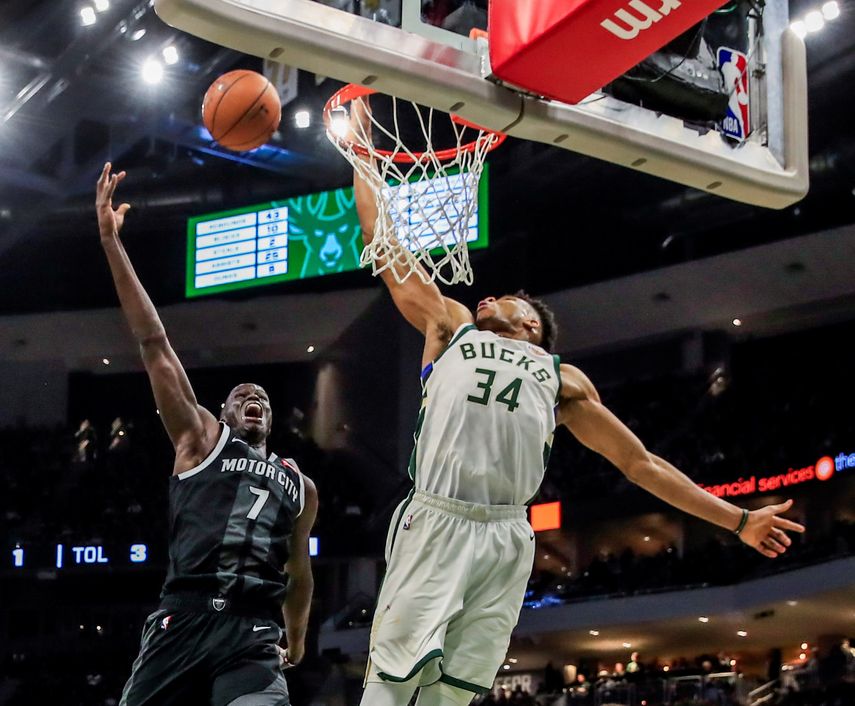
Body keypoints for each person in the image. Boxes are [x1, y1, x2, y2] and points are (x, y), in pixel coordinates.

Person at [348, 99, 806, 706]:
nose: (491, 297)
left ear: (534, 328)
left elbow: (642, 466)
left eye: (511, 299)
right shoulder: (451, 327)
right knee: (390, 682)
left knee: (450, 693)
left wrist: (739, 520)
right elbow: (391, 255)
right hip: (436, 514)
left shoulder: (564, 379)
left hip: (508, 534)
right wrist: (361, 155)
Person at [95, 163, 317, 706]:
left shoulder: (300, 485)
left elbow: (299, 569)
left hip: (253, 634)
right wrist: (110, 243)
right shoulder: (200, 439)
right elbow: (153, 341)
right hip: (184, 619)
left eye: (261, 395)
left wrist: (298, 632)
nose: (253, 399)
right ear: (222, 411)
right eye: (241, 396)